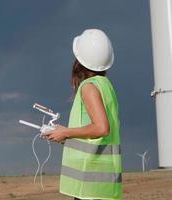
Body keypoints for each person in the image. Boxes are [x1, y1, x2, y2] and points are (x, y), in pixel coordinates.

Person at [43, 28, 122, 200]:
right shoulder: (106, 86)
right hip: (106, 181)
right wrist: (66, 136)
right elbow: (96, 133)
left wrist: (66, 132)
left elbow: (101, 128)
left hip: (90, 182)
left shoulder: (89, 87)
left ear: (79, 59)